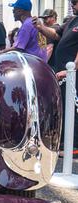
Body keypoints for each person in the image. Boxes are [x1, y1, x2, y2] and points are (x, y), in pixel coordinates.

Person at [33, 0, 78, 153]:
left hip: (72, 75)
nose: (73, 5)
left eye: (76, 2)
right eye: (72, 2)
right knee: (64, 107)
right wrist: (40, 26)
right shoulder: (72, 21)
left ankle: (74, 146)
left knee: (73, 109)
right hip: (62, 74)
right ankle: (66, 143)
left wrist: (73, 69)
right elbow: (56, 35)